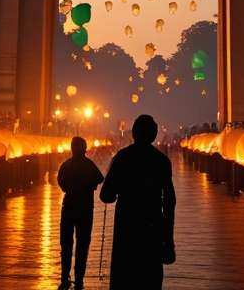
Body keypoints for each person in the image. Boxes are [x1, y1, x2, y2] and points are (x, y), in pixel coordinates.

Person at [99, 115, 176, 290]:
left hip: (126, 228)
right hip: (152, 227)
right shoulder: (162, 161)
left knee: (124, 277)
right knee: (150, 279)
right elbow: (170, 202)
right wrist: (169, 240)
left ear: (133, 134)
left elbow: (106, 195)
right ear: (154, 135)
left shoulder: (122, 158)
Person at [57, 135, 104, 290]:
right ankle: (79, 279)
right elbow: (100, 178)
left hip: (68, 208)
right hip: (85, 209)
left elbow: (60, 181)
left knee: (66, 244)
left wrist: (69, 188)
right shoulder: (89, 165)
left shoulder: (66, 165)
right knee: (82, 244)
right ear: (85, 149)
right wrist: (88, 185)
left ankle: (65, 278)